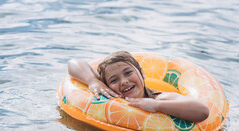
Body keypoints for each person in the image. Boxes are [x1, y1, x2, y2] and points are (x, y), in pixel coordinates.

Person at [67, 51, 209, 122]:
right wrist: (93, 81)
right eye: (114, 80)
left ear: (141, 73)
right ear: (107, 85)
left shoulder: (161, 97)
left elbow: (202, 111)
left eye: (128, 73)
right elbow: (73, 63)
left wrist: (157, 106)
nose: (124, 82)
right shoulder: (105, 91)